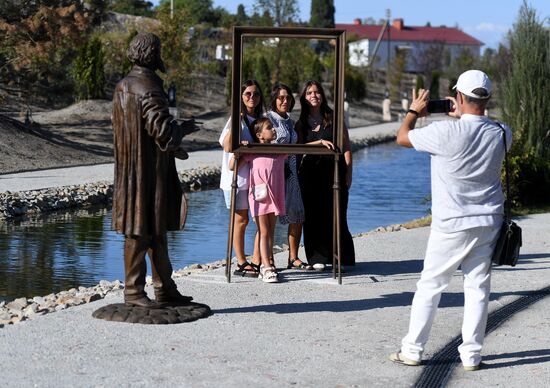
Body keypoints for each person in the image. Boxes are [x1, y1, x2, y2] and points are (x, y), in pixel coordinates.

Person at [389, 70, 512, 371]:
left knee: (431, 285)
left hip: (452, 223)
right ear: (487, 98)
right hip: (488, 221)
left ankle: (413, 351)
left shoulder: (445, 132)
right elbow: (482, 126)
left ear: (458, 97)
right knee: (478, 288)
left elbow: (402, 137)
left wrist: (413, 112)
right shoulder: (501, 131)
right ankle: (472, 356)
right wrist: (465, 113)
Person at [112, 32, 198, 308]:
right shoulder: (147, 86)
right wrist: (182, 128)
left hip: (132, 168)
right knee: (139, 230)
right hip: (146, 172)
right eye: (158, 50)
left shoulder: (124, 84)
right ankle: (134, 292)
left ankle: (165, 288)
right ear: (151, 54)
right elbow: (160, 130)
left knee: (156, 230)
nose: (161, 55)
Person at [295, 80, 355, 271]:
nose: (314, 95)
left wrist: (348, 172)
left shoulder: (334, 117)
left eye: (317, 92)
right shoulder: (301, 123)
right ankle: (316, 257)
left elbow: (345, 146)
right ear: (304, 97)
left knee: (337, 214)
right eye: (309, 93)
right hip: (310, 174)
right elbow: (296, 149)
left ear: (322, 95)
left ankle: (341, 257)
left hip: (334, 172)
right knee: (313, 216)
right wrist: (319, 142)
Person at [230, 118, 287, 283]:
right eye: (270, 127)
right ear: (259, 135)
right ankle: (267, 267)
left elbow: (300, 149)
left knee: (271, 231)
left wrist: (319, 141)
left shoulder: (279, 150)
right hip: (260, 196)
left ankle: (266, 262)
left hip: (275, 196)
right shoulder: (253, 151)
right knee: (264, 231)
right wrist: (239, 151)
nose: (274, 130)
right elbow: (233, 167)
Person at [219, 80, 264, 277]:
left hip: (255, 178)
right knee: (241, 220)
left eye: (255, 94)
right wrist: (236, 124)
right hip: (235, 179)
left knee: (258, 219)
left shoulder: (260, 119)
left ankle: (257, 259)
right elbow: (227, 146)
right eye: (247, 94)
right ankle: (240, 261)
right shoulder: (236, 119)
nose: (251, 98)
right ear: (241, 97)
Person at [266, 83, 311, 271]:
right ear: (274, 99)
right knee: (269, 219)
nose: (285, 101)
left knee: (297, 215)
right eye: (281, 97)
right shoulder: (269, 119)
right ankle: (267, 260)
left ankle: (293, 258)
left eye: (288, 98)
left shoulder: (289, 121)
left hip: (291, 174)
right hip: (274, 173)